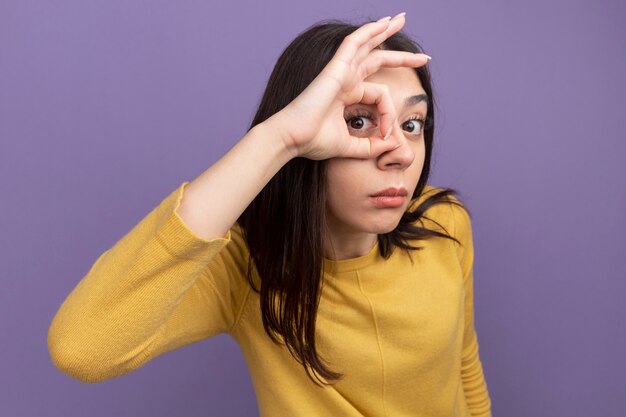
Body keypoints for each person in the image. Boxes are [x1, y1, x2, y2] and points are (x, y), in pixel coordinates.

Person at [48, 13, 492, 417]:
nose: (398, 153)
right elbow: (81, 347)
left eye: (412, 124)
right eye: (358, 120)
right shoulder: (245, 267)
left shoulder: (445, 223)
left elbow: (464, 367)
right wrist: (281, 139)